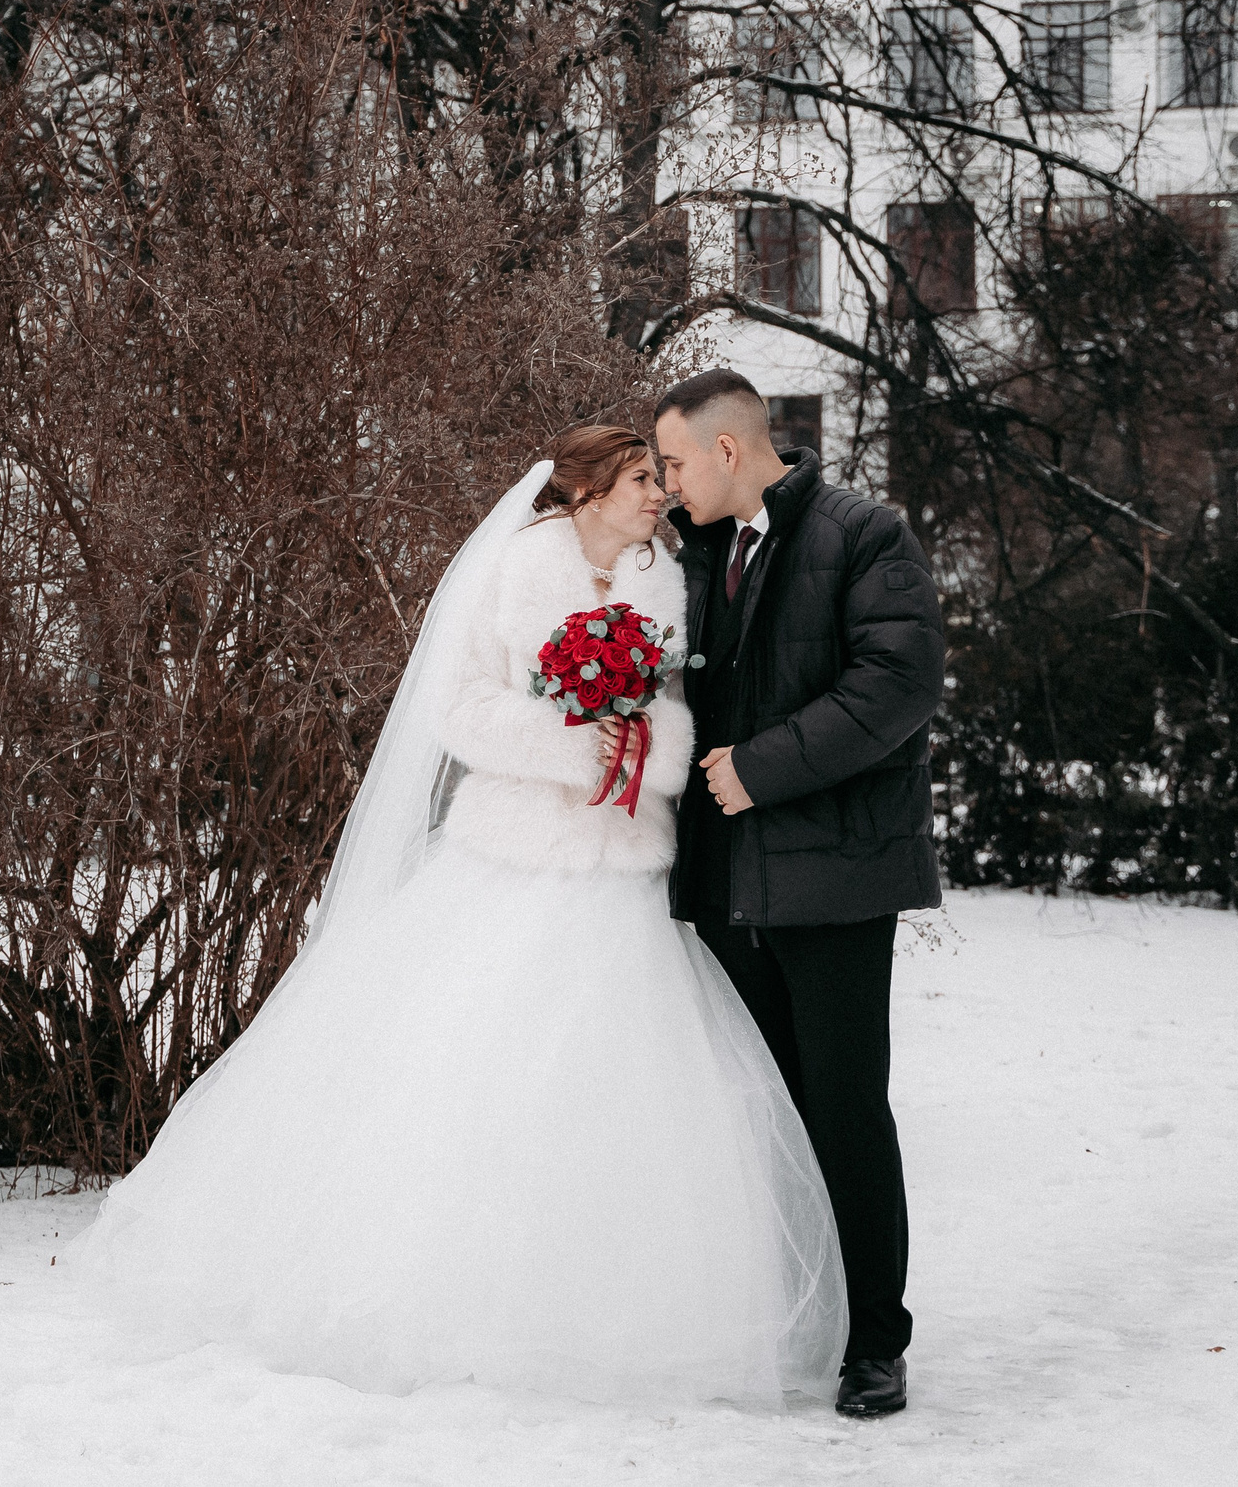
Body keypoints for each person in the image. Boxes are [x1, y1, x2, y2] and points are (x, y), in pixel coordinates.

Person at [70, 426, 849, 1408]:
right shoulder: (514, 573)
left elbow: (687, 702)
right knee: (476, 1069)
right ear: (587, 489)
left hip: (630, 864)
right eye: (642, 476)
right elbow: (461, 711)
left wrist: (643, 746)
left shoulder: (667, 576)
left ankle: (609, 1308)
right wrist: (576, 744)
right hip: (514, 850)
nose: (660, 492)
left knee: (621, 1083)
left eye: (662, 474)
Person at [652, 369, 945, 1420]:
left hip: (836, 875)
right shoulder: (679, 552)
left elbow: (898, 685)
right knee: (757, 1112)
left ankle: (874, 1339)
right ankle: (795, 1315)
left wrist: (760, 766)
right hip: (721, 883)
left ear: (728, 450)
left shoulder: (866, 534)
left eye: (676, 461)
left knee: (842, 1107)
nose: (667, 482)